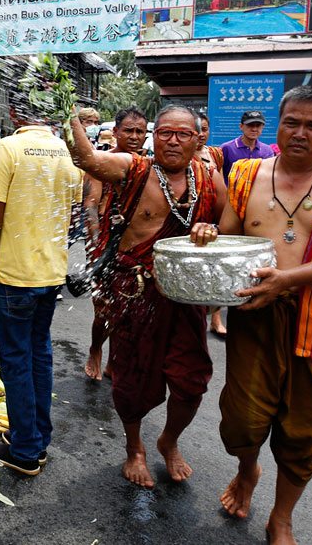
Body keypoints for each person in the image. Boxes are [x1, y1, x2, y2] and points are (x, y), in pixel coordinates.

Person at [189, 86, 312, 545]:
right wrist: (209, 233)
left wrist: (288, 280)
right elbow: (232, 237)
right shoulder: (248, 175)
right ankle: (247, 469)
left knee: (303, 428)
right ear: (278, 127)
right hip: (254, 312)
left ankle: (282, 516)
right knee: (241, 419)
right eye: (291, 123)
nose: (300, 133)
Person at [67, 104, 225, 488]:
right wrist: (69, 113)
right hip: (136, 292)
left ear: (197, 138)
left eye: (183, 134)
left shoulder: (208, 177)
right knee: (133, 381)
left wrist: (211, 230)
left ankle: (168, 441)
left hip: (185, 299)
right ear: (155, 136)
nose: (173, 140)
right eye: (166, 132)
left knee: (192, 382)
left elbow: (228, 223)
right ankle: (134, 448)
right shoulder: (133, 168)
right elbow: (86, 157)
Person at [0, 84, 82, 475]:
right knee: (40, 356)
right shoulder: (68, 153)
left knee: (16, 361)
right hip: (51, 274)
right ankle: (37, 438)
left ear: (16, 115)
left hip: (15, 276)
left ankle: (24, 451)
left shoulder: (9, 148)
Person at [82, 106, 147, 382]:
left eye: (139, 131)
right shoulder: (100, 162)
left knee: (130, 309)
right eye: (128, 130)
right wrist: (96, 245)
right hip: (105, 245)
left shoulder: (150, 165)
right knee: (105, 307)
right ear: (116, 132)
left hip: (138, 246)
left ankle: (114, 359)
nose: (134, 136)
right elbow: (90, 204)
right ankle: (96, 349)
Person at [194, 112, 227, 336]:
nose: (201, 134)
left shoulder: (215, 153)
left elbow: (221, 184)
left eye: (205, 129)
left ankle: (216, 318)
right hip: (191, 217)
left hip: (212, 216)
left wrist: (220, 222)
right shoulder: (180, 154)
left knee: (215, 269)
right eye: (197, 130)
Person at [221, 110, 274, 182]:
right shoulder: (226, 148)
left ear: (262, 127)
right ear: (241, 126)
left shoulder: (267, 151)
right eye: (250, 125)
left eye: (258, 126)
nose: (254, 129)